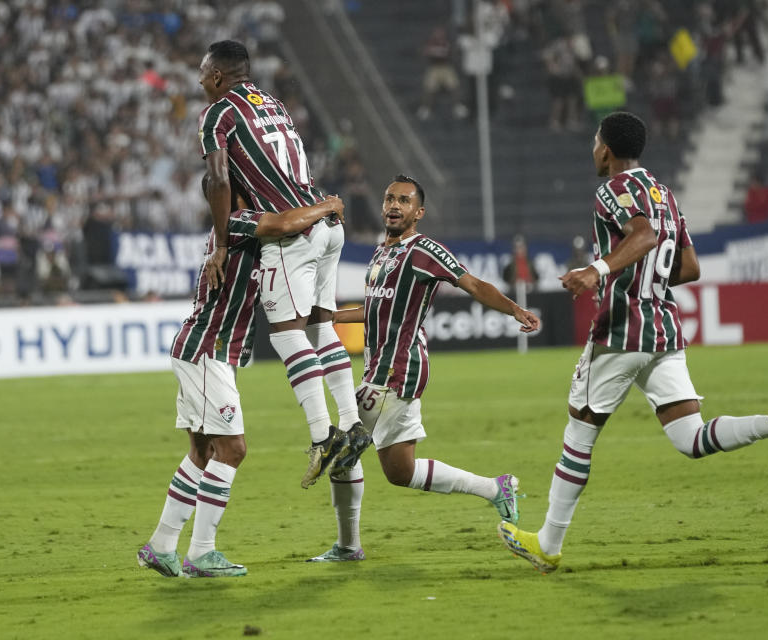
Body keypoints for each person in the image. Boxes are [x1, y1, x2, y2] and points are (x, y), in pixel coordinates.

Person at [497, 112, 768, 574]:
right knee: (689, 437)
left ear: (606, 150)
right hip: (663, 328)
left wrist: (597, 271)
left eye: (595, 142)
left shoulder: (612, 190)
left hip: (621, 330)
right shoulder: (663, 193)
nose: (593, 150)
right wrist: (645, 273)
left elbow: (644, 235)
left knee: (579, 434)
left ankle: (547, 544)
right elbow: (690, 266)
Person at [310, 175, 541, 562]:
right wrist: (332, 315)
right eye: (389, 198)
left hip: (396, 372)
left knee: (344, 453)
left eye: (404, 200)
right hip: (380, 371)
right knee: (400, 471)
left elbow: (472, 284)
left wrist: (515, 308)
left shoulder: (424, 250)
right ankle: (495, 488)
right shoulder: (382, 253)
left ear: (419, 212)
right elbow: (376, 310)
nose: (394, 205)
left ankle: (348, 547)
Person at [137, 176, 344, 578]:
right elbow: (285, 224)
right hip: (207, 351)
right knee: (232, 449)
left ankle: (161, 545)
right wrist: (327, 206)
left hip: (203, 350)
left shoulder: (227, 232)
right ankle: (201, 552)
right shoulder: (234, 222)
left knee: (203, 453)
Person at [197, 40, 369, 490]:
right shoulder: (272, 102)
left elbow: (217, 178)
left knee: (288, 333)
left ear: (217, 76)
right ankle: (351, 424)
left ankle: (321, 435)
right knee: (322, 325)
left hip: (294, 233)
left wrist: (220, 243)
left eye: (202, 74)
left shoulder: (218, 113)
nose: (199, 82)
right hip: (327, 219)